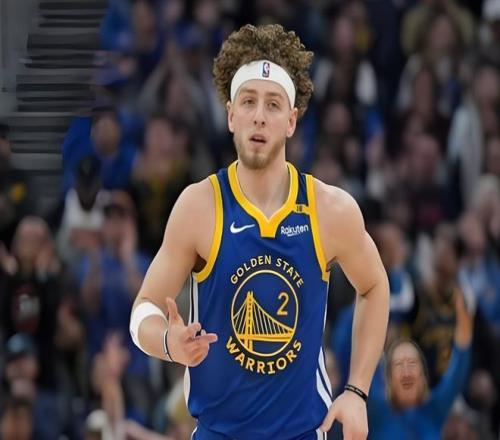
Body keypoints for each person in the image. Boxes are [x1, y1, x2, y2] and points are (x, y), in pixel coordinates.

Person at [130, 24, 389, 440]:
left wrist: (357, 390)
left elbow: (375, 286)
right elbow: (143, 309)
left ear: (291, 121)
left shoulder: (330, 209)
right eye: (248, 101)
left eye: (273, 104)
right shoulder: (199, 206)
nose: (259, 116)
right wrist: (167, 341)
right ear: (231, 115)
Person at [367, 291, 472, 439]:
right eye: (398, 365)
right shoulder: (377, 410)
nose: (406, 372)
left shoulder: (435, 408)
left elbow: (460, 362)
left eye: (412, 364)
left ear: (423, 376)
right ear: (389, 378)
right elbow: (364, 355)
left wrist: (462, 311)